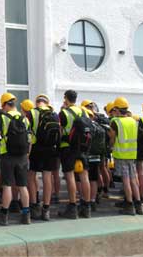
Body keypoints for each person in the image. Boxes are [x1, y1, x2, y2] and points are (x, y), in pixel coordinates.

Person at [0, 93, 31, 225]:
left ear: (6, 104)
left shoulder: (4, 118)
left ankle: (4, 215)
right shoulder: (25, 119)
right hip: (23, 156)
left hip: (8, 155)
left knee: (7, 185)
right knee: (23, 186)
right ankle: (26, 215)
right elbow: (29, 139)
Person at [57, 90, 91, 219]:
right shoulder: (84, 112)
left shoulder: (63, 113)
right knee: (84, 175)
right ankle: (86, 206)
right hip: (82, 147)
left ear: (65, 98)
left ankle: (72, 206)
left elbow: (60, 131)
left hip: (68, 147)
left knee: (70, 176)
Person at [108, 97, 143, 215]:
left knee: (126, 181)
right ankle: (139, 204)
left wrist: (110, 147)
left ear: (117, 109)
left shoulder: (115, 122)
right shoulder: (133, 121)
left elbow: (112, 139)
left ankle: (130, 205)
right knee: (134, 179)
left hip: (121, 154)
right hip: (132, 154)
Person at [26, 94, 59, 221]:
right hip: (50, 149)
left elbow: (28, 132)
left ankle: (34, 205)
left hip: (36, 148)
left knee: (32, 175)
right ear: (47, 103)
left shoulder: (32, 113)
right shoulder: (54, 114)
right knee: (47, 176)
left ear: (37, 102)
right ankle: (46, 208)